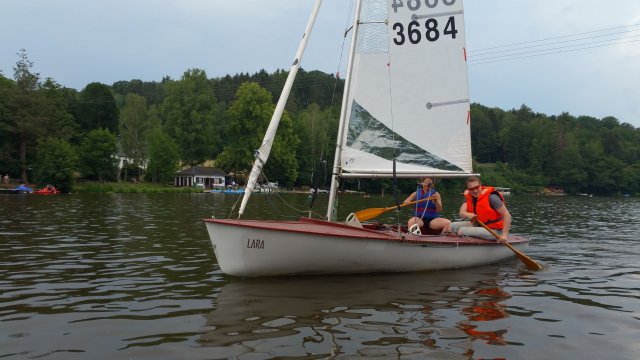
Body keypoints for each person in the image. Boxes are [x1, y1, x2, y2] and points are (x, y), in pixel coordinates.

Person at [450, 176, 511, 241]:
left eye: (477, 187)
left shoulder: (492, 197)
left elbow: (507, 215)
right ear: (468, 189)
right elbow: (461, 213)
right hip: (479, 225)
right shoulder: (469, 196)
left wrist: (504, 235)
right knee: (452, 226)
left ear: (480, 185)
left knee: (462, 231)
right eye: (471, 189)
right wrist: (469, 215)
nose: (475, 191)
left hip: (495, 230)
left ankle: (471, 245)